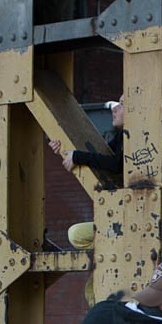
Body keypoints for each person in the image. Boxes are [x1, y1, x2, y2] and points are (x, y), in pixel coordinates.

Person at [50, 96, 126, 305]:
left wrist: (79, 157)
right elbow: (100, 157)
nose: (115, 108)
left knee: (76, 235)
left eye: (123, 103)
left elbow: (116, 163)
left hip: (129, 223)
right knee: (92, 291)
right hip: (122, 225)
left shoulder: (137, 138)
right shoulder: (120, 139)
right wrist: (64, 150)